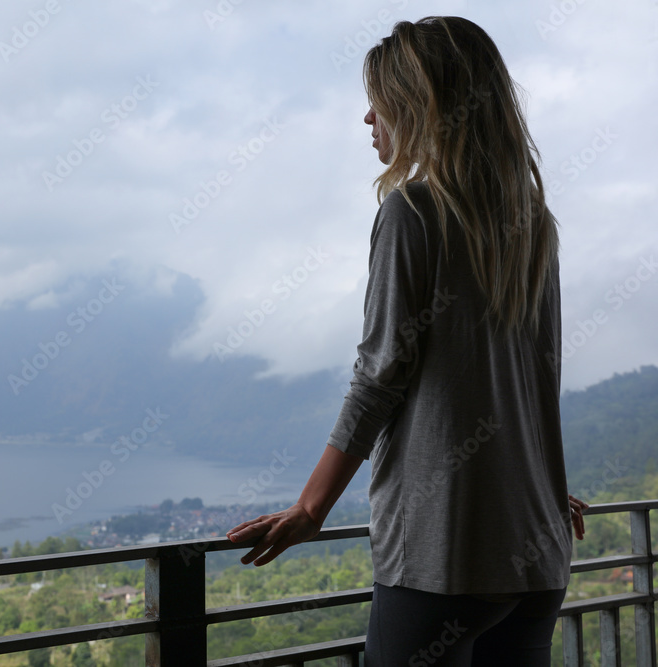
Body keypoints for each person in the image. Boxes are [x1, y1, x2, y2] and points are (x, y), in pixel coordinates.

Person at [226, 16, 590, 665]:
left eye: (381, 100)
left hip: (444, 552)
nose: (368, 118)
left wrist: (312, 508)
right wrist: (527, 481)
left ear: (422, 104)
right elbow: (531, 378)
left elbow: (379, 374)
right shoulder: (534, 222)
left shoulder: (412, 212)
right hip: (536, 552)